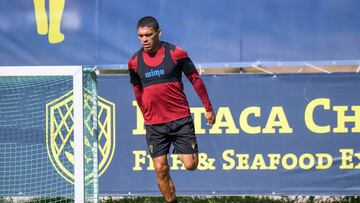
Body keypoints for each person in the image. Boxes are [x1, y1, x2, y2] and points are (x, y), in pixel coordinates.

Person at [128, 16, 216, 203]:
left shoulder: (177, 53)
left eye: (149, 35)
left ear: (159, 33)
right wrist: (145, 114)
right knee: (160, 168)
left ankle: (181, 150)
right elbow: (137, 91)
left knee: (190, 164)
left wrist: (208, 108)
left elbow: (195, 80)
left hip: (180, 120)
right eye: (140, 36)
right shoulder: (134, 62)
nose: (144, 39)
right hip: (154, 124)